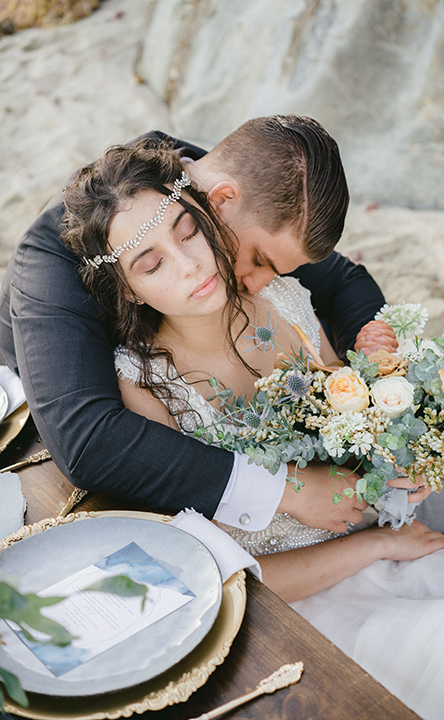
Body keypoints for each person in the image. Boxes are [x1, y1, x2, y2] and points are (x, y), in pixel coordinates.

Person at [61, 139, 444, 720]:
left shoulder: (282, 294)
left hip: (385, 530)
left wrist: (399, 450)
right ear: (128, 289)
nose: (190, 265)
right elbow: (220, 576)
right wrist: (376, 543)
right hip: (304, 601)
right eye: (151, 263)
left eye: (186, 231)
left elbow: (349, 420)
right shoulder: (143, 384)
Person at [0, 115, 386, 532]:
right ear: (219, 202)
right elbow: (90, 442)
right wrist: (286, 490)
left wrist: (381, 372)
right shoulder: (48, 261)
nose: (260, 281)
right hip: (48, 411)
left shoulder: (200, 179)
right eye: (258, 260)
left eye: (188, 234)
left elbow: (344, 281)